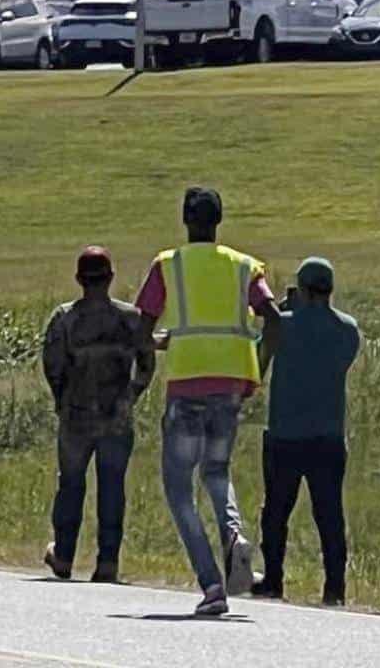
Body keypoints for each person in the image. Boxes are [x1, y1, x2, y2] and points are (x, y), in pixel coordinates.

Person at [135, 187, 283, 616]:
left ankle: (211, 583)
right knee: (217, 471)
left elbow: (142, 327)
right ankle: (233, 535)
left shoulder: (169, 265)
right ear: (219, 221)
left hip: (186, 383)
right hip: (231, 382)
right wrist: (259, 366)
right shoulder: (243, 267)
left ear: (185, 219)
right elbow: (273, 318)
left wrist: (164, 344)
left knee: (179, 489)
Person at [41, 246, 155, 583]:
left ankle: (63, 555)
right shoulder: (131, 319)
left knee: (71, 485)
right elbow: (147, 364)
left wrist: (62, 399)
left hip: (75, 416)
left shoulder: (64, 319)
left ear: (79, 279)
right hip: (116, 417)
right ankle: (108, 562)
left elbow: (52, 366)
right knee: (112, 486)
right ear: (110, 278)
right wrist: (130, 395)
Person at [250, 258, 360, 606]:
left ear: (304, 287)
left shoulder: (283, 326)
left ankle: (273, 580)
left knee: (276, 512)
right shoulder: (348, 329)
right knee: (330, 514)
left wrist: (282, 317)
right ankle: (335, 588)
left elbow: (258, 364)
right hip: (328, 434)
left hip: (286, 432)